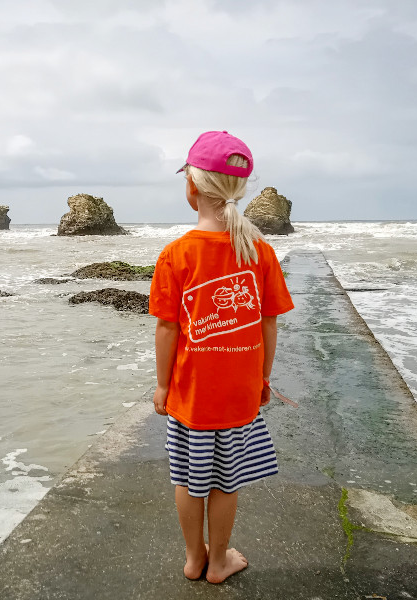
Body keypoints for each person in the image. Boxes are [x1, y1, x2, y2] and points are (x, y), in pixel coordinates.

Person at [149, 130, 294, 584]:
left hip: (190, 397)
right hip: (237, 396)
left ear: (191, 187)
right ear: (241, 190)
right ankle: (219, 563)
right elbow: (269, 322)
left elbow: (168, 327)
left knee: (188, 480)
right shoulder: (260, 252)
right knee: (225, 483)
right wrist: (263, 379)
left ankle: (195, 558)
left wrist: (162, 385)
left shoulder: (176, 254)